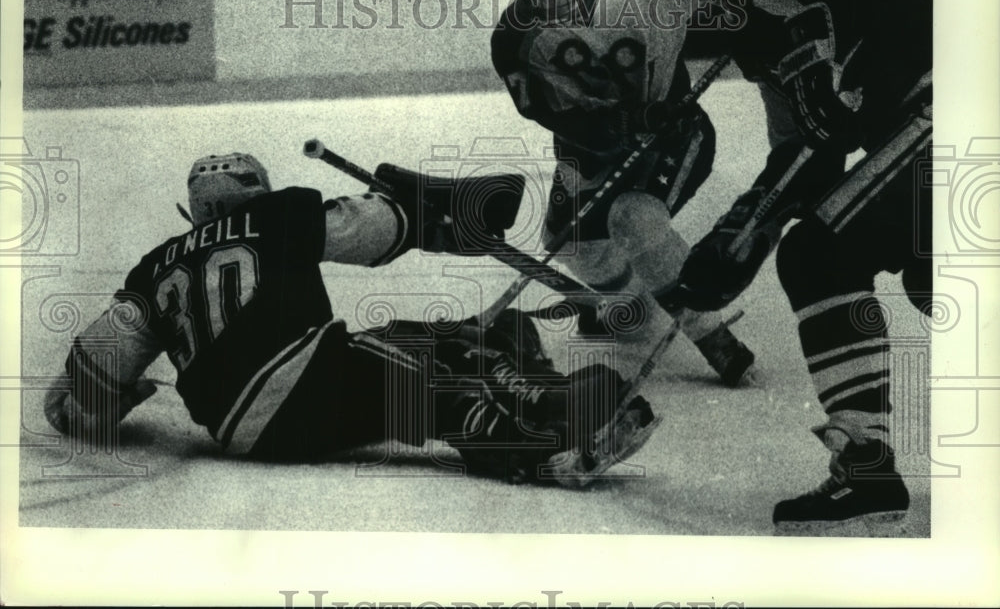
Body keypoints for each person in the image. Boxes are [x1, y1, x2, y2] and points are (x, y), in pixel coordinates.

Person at [43, 151, 657, 486]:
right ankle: (539, 437)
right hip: (299, 375)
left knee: (417, 347)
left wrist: (79, 411)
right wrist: (438, 217)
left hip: (243, 430)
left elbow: (96, 362)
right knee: (430, 371)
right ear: (256, 190)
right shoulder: (278, 215)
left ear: (196, 212)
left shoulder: (155, 268)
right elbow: (369, 228)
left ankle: (534, 392)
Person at [665, 0, 932, 534]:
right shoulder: (765, 21)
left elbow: (827, 136)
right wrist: (738, 238)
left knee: (820, 254)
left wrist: (740, 237)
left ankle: (866, 471)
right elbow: (807, 154)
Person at [490, 0, 756, 388]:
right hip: (590, 144)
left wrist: (755, 11)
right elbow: (547, 113)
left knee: (633, 218)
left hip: (676, 132)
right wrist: (617, 127)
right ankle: (633, 309)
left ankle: (710, 332)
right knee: (569, 244)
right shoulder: (516, 39)